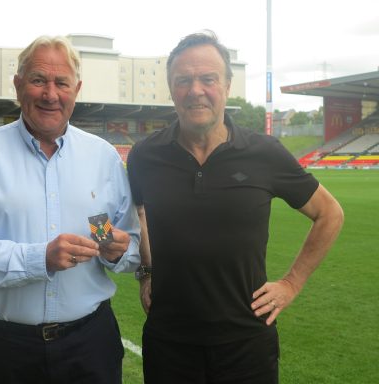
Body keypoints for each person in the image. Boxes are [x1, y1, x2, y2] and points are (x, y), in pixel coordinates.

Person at [127, 31, 344, 384]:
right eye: (183, 80)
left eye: (207, 79)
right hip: (169, 341)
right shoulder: (145, 155)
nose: (195, 90)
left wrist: (291, 283)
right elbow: (139, 211)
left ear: (227, 85)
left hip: (247, 343)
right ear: (172, 89)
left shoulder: (264, 152)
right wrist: (146, 272)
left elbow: (330, 213)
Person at [0, 35, 140, 384]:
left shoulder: (103, 157)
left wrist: (117, 251)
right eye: (38, 80)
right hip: (7, 349)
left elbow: (128, 246)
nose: (51, 94)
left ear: (76, 89)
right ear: (18, 85)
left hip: (91, 344)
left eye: (61, 82)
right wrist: (41, 258)